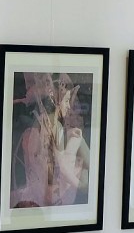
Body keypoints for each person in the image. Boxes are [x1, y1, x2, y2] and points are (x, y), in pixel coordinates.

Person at [12, 73, 90, 208]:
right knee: (78, 139)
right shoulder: (55, 126)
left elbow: (48, 154)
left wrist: (67, 135)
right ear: (57, 101)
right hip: (55, 194)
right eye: (66, 101)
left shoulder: (40, 121)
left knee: (76, 138)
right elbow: (61, 167)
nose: (68, 106)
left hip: (38, 188)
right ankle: (96, 177)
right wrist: (81, 186)